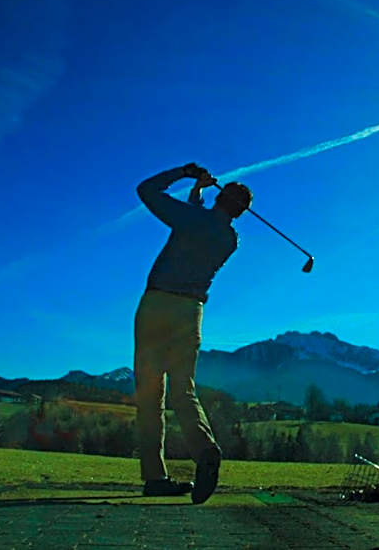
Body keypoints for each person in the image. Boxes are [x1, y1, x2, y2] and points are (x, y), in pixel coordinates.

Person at [134, 162, 251, 504]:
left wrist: (184, 174)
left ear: (221, 197)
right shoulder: (230, 240)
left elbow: (146, 190)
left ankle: (155, 476)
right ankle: (205, 451)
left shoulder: (192, 219)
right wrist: (199, 191)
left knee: (150, 395)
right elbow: (198, 219)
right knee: (183, 390)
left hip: (157, 305)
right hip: (191, 312)